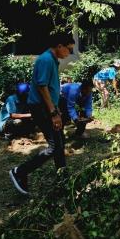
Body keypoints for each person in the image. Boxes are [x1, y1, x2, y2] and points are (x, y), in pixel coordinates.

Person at [9, 32, 75, 195]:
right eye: (69, 49)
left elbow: (50, 88)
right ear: (59, 46)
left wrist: (56, 108)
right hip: (41, 108)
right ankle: (19, 172)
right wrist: (53, 112)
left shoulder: (52, 60)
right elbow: (42, 86)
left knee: (60, 142)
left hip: (48, 106)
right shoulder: (46, 59)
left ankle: (63, 180)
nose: (69, 53)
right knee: (54, 146)